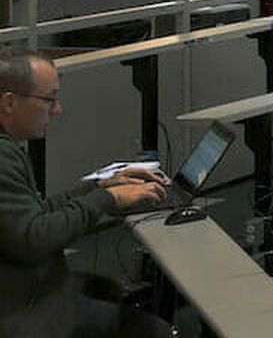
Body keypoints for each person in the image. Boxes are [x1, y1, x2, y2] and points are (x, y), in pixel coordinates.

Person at [0, 52, 168, 338]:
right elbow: (33, 238)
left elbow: (35, 212)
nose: (57, 110)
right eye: (49, 99)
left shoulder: (8, 148)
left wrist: (99, 188)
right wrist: (109, 199)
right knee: (153, 330)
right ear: (9, 102)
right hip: (23, 313)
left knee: (107, 291)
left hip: (28, 291)